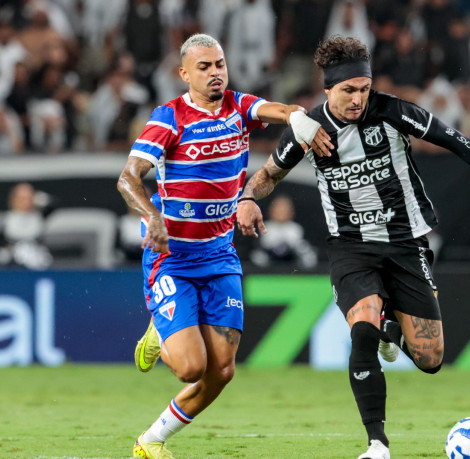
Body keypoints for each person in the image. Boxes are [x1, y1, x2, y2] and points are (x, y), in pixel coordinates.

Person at [236, 36, 470, 459]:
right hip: (351, 248)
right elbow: (267, 174)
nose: (358, 99)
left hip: (405, 244)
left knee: (430, 359)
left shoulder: (393, 111)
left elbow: (452, 138)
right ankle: (378, 443)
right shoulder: (309, 129)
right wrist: (248, 197)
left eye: (363, 89)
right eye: (348, 91)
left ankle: (391, 329)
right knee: (361, 328)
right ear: (328, 91)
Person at [116, 33, 332, 459]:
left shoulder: (238, 107)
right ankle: (160, 329)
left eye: (219, 64)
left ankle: (152, 441)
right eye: (204, 67)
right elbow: (128, 177)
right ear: (184, 74)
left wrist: (298, 118)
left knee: (223, 371)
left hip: (220, 256)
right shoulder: (169, 117)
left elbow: (279, 109)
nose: (215, 73)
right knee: (191, 368)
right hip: (172, 258)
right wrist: (152, 216)